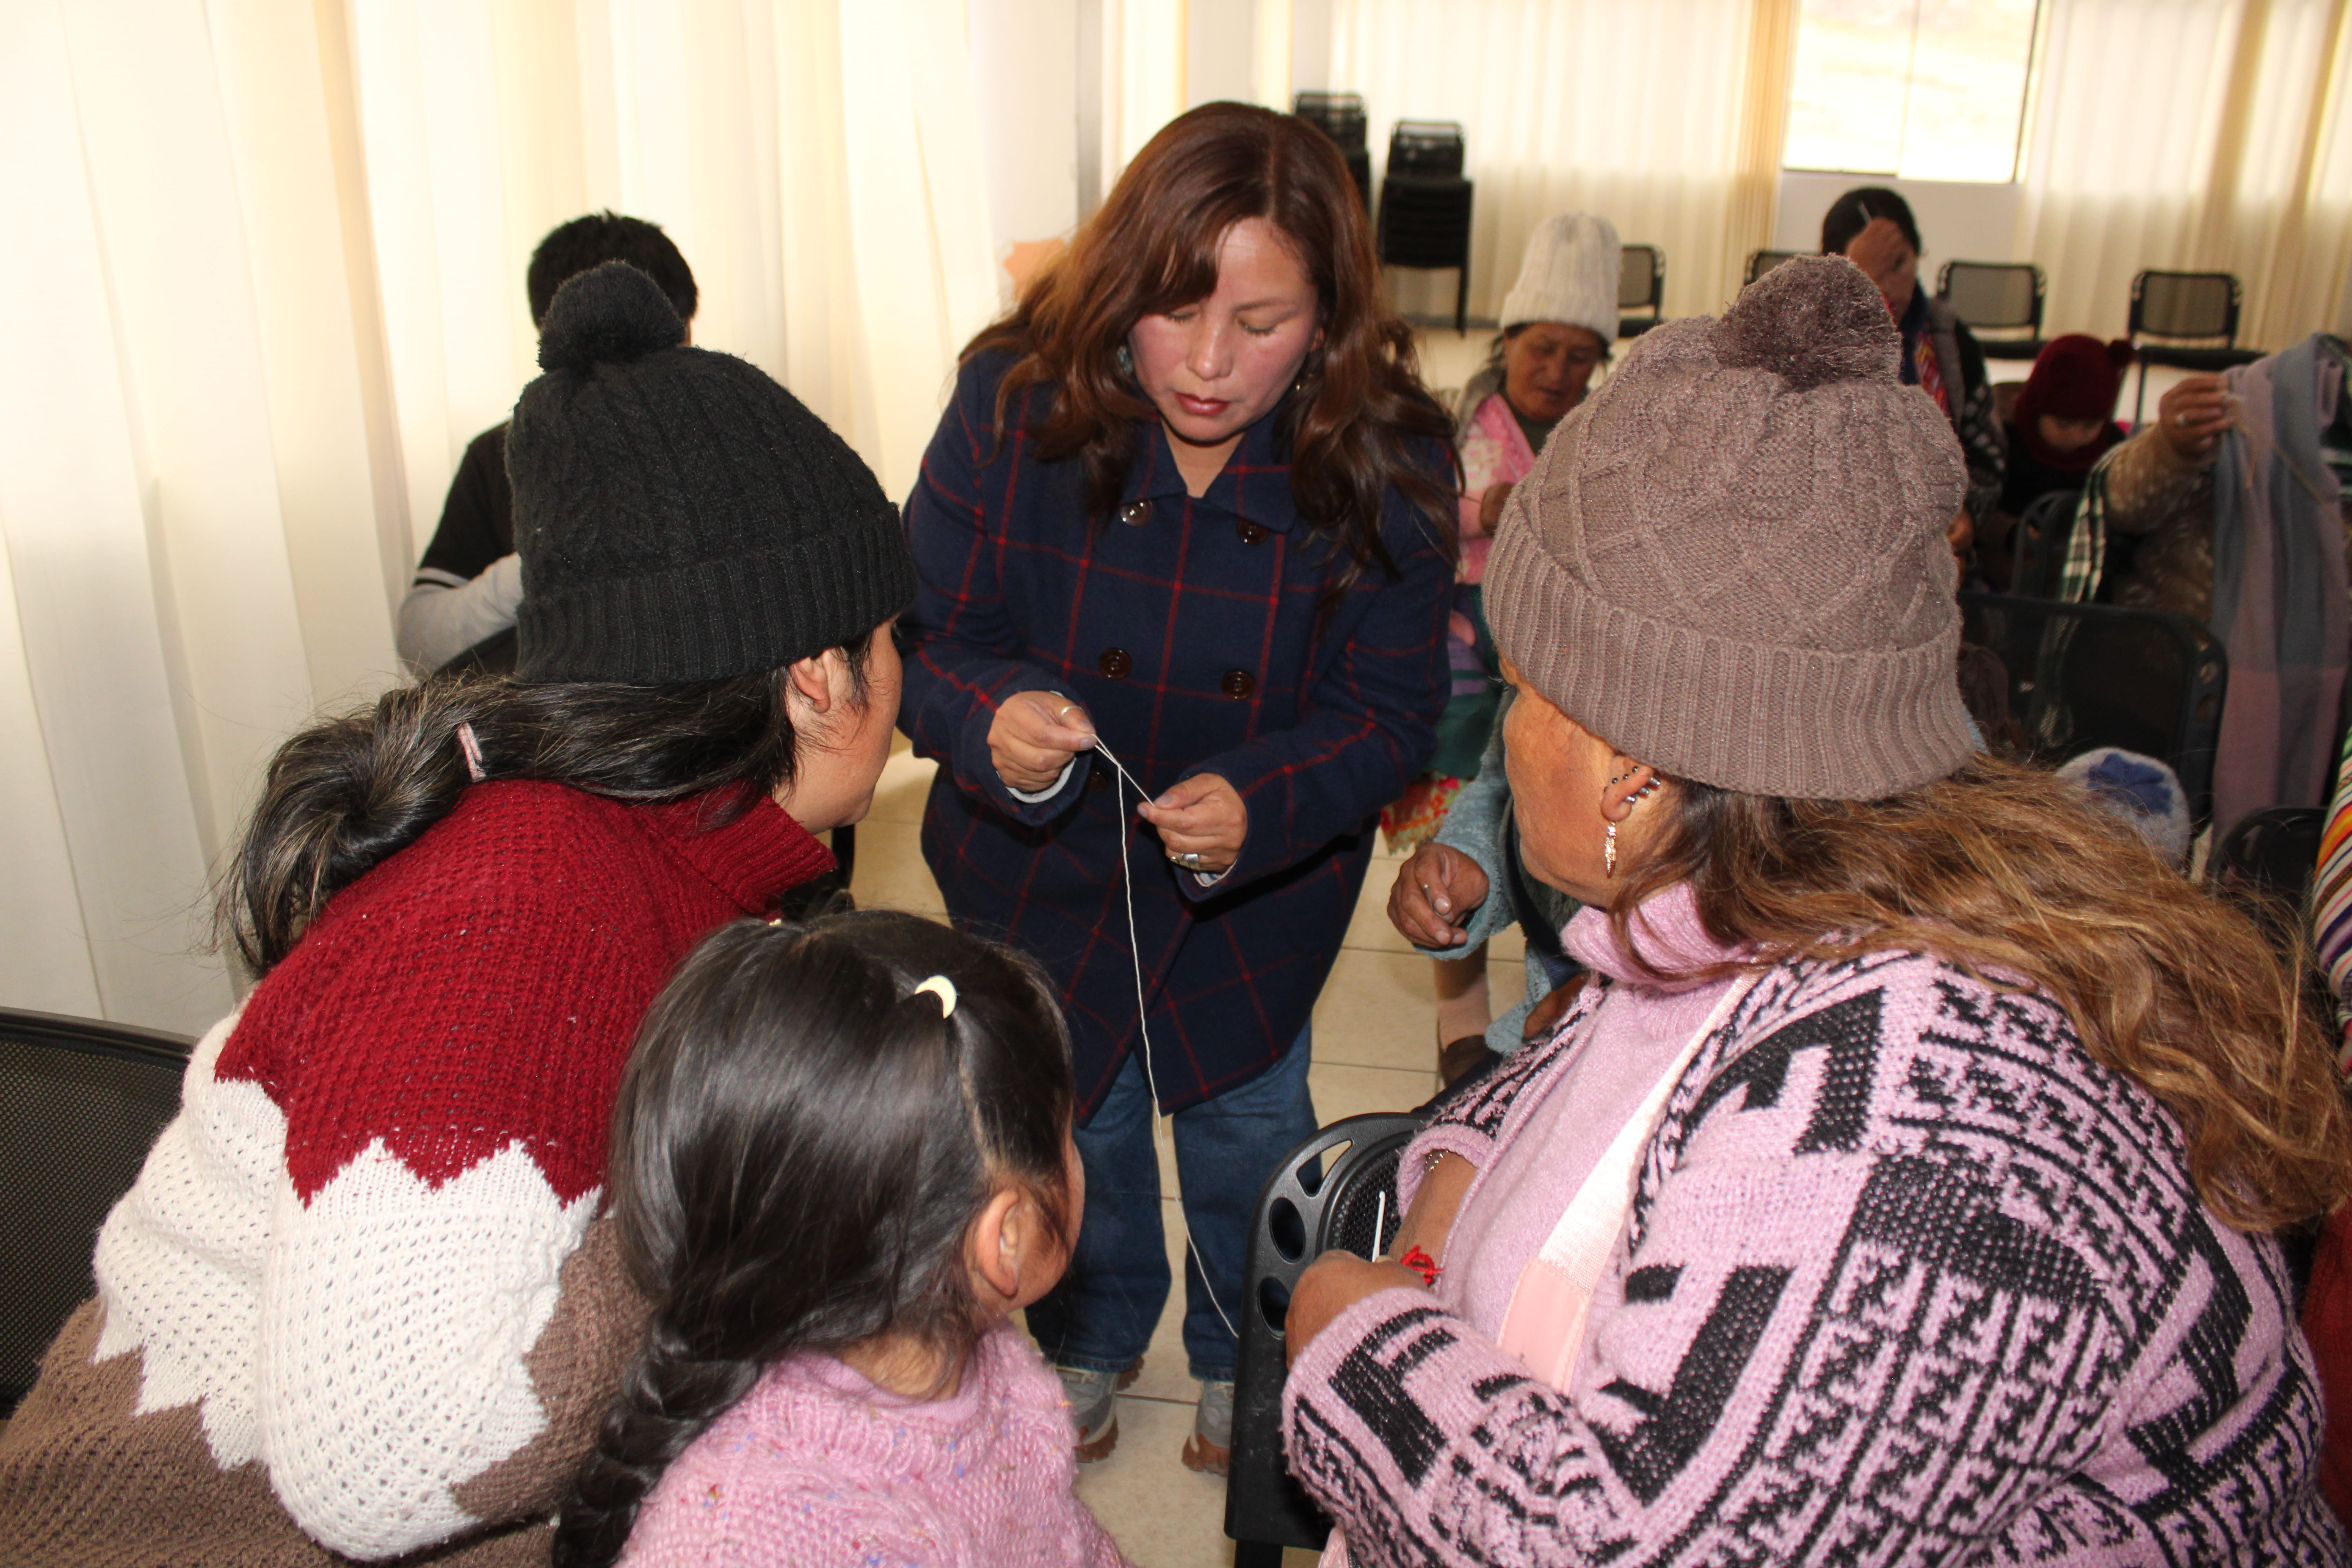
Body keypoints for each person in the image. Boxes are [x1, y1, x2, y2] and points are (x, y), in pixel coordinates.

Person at [1281, 257, 2351, 1565]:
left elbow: (1625, 1550)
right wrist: (1459, 1171)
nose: (1506, 729)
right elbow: (1576, 1065)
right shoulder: (1771, 898)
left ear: (1638, 765)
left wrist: (1355, 1344)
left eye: (1522, 687)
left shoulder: (1933, 1113)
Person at [0, 262, 916, 1564]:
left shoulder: (661, 867)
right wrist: (732, 1181)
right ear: (821, 678)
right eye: (894, 638)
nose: (905, 675)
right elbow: (388, 1463)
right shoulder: (524, 911)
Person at [897, 100, 1455, 1474]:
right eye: (1172, 311)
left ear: (1328, 317)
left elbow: (1389, 717)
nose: (1207, 366)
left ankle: (1245, 1349)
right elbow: (922, 642)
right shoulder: (1013, 407)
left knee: (1244, 1125)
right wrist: (985, 722)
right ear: (1117, 288)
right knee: (1068, 1117)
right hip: (1034, 868)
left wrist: (1263, 800)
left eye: (1262, 324)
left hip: (1250, 895)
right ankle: (1096, 1331)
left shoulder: (1387, 458)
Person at [552, 911, 1129, 1568]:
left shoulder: (983, 1358)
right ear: (1006, 1238)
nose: (1078, 1158)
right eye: (1064, 1136)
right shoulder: (731, 1544)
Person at [1386, 212, 1621, 1082]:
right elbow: (1407, 522)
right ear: (1509, 341)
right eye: (1542, 350)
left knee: (1551, 834)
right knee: (1458, 839)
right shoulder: (1453, 429)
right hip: (1456, 663)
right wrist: (1479, 513)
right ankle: (1461, 1030)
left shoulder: (1607, 445)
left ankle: (1537, 1023)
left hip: (1559, 669)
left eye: (1579, 356)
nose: (1557, 373)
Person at [397, 210, 699, 676]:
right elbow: (419, 639)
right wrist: (545, 560)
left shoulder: (724, 440)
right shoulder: (501, 453)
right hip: (557, 729)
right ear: (551, 342)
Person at [2069, 341, 2351, 836]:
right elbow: (2123, 504)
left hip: (2320, 711)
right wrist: (2172, 448)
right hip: (2169, 687)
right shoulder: (2259, 397)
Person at [1821, 187, 2004, 561]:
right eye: (1865, 272)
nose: (1886, 288)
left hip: (1933, 554)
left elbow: (1989, 460)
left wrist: (1964, 513)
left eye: (1899, 264)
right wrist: (1852, 306)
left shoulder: (1951, 341)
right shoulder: (1808, 339)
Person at [1982, 334, 2132, 587]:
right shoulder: (2004, 437)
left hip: (2084, 575)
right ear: (2036, 409)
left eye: (2091, 425)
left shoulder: (2112, 449)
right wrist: (2009, 532)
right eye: (2063, 424)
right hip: (2005, 575)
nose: (2077, 436)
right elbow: (1974, 507)